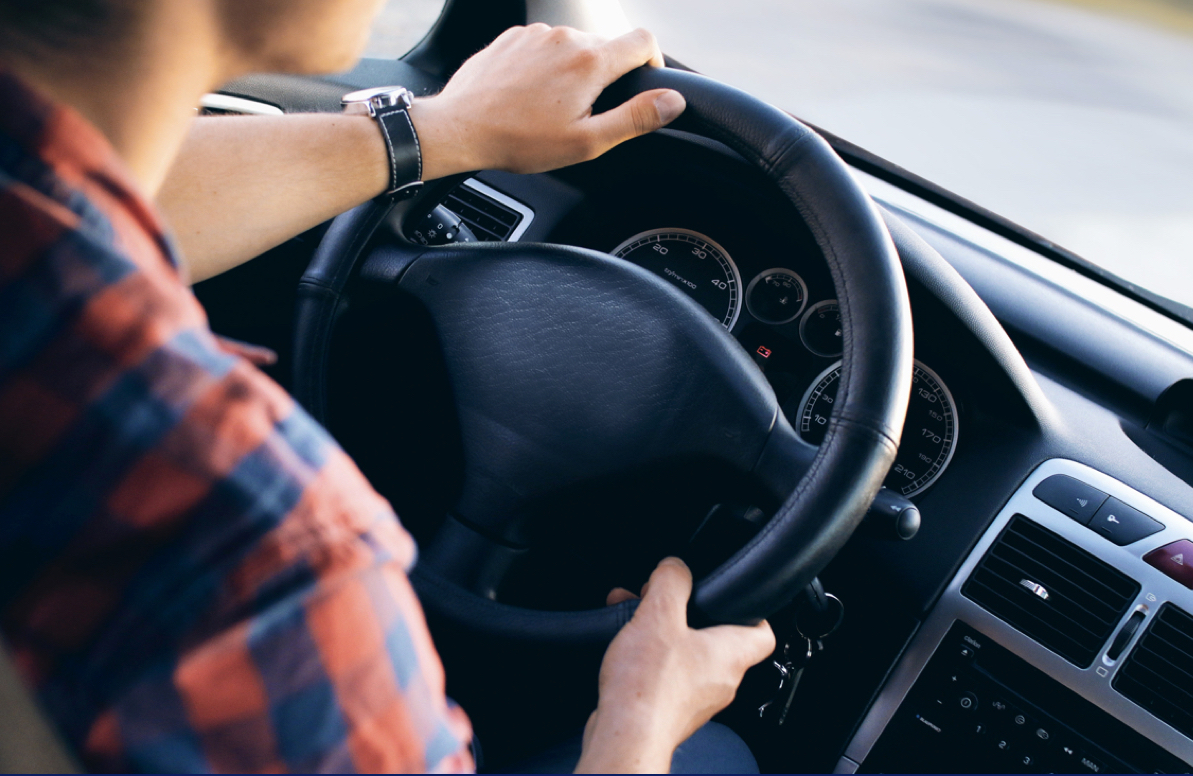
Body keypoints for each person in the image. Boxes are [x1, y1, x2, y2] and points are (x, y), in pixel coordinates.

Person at [0, 0, 776, 772]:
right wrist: (640, 717)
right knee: (714, 753)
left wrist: (444, 129)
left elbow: (95, 201)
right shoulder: (266, 558)